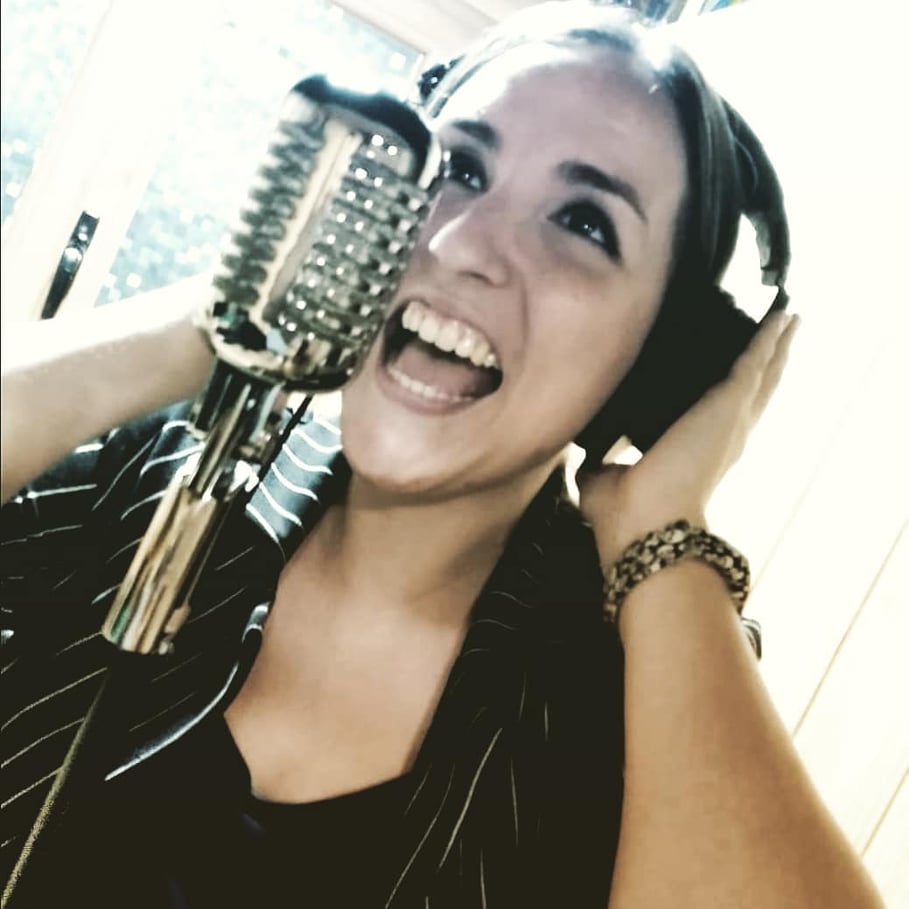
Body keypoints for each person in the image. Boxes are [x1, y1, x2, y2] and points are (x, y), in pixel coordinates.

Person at [0, 2, 884, 906]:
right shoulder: (159, 472)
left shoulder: (629, 691)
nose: (462, 246)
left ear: (658, 366)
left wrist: (660, 529)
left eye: (582, 222)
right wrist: (215, 317)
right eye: (458, 167)